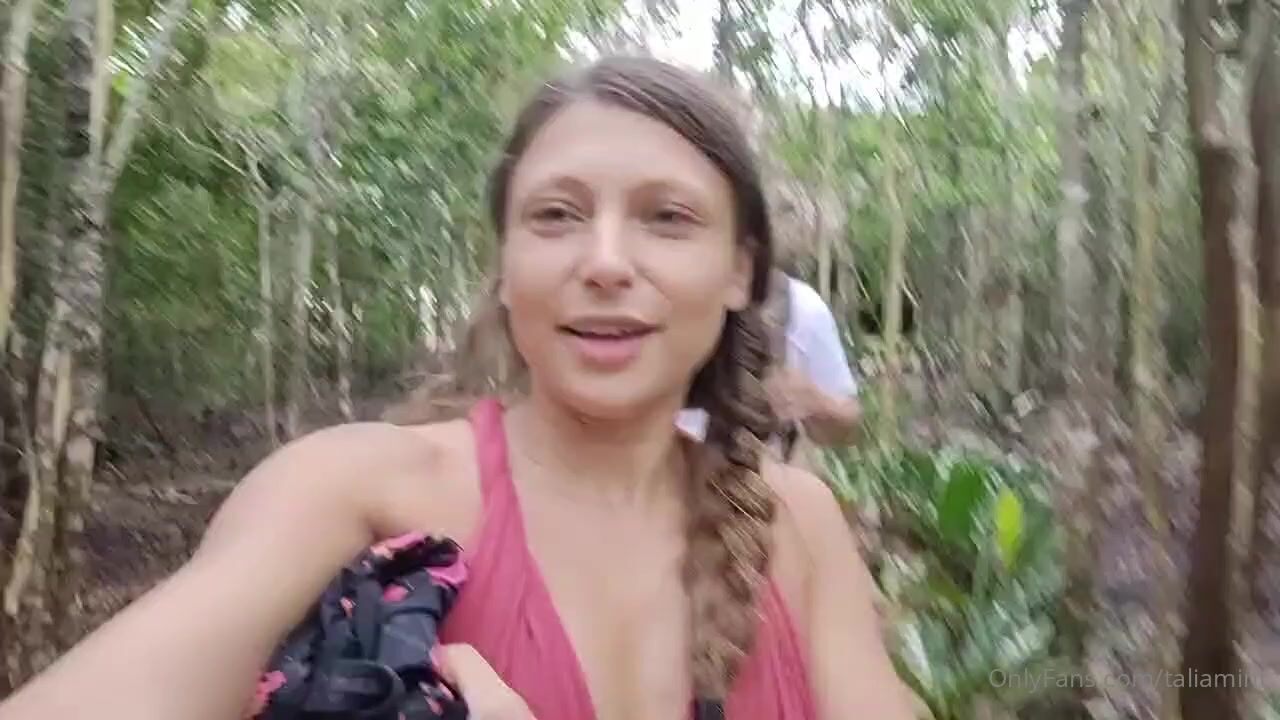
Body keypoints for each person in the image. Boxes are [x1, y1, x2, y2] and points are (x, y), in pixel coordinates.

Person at [0, 56, 913, 720]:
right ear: (506, 265)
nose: (604, 262)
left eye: (667, 218)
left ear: (741, 271)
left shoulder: (798, 527)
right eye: (556, 215)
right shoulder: (357, 493)